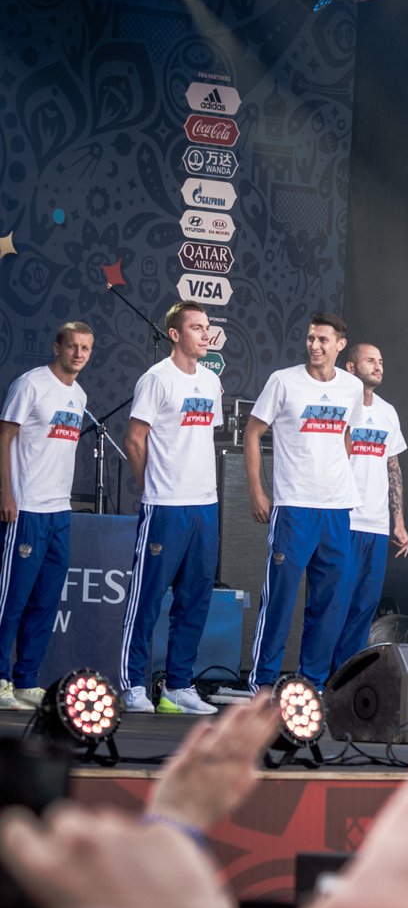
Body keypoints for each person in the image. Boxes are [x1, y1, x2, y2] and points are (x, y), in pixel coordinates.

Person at [243, 313, 366, 692]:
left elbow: (347, 434)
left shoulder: (352, 387)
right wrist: (258, 492)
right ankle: (263, 684)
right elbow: (252, 434)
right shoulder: (283, 381)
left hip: (337, 509)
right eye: (311, 338)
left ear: (339, 345)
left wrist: (335, 476)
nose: (315, 345)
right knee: (280, 599)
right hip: (294, 508)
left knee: (328, 604)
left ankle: (311, 685)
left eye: (323, 340)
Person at [118, 302, 224, 715]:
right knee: (146, 599)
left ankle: (178, 687)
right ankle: (132, 686)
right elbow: (134, 439)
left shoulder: (212, 381)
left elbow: (203, 440)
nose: (205, 334)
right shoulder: (156, 379)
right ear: (176, 334)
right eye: (196, 328)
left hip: (205, 506)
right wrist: (152, 489)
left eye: (207, 328)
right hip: (165, 507)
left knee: (194, 599)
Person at [0, 322, 94, 711]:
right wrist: (6, 493)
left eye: (86, 348)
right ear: (57, 347)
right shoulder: (30, 384)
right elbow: (3, 437)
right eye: (72, 346)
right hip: (26, 509)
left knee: (45, 601)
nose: (78, 354)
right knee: (12, 600)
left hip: (59, 511)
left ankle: (25, 681)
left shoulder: (80, 394)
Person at [330, 343, 408, 674]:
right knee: (334, 604)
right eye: (370, 360)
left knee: (364, 607)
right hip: (344, 521)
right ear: (351, 367)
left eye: (381, 360)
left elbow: (393, 466)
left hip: (376, 526)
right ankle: (319, 679)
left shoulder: (388, 411)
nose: (378, 366)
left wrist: (399, 521)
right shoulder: (340, 407)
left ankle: (345, 680)